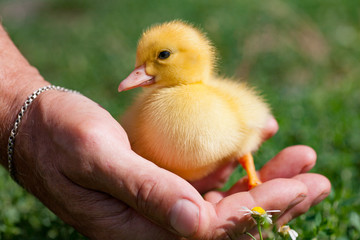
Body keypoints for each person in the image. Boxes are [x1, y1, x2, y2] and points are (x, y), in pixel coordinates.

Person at [0, 23, 331, 240]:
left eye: (161, 57)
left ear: (193, 58)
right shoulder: (147, 112)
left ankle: (248, 171)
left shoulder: (218, 103)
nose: (143, 71)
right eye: (145, 62)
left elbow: (253, 122)